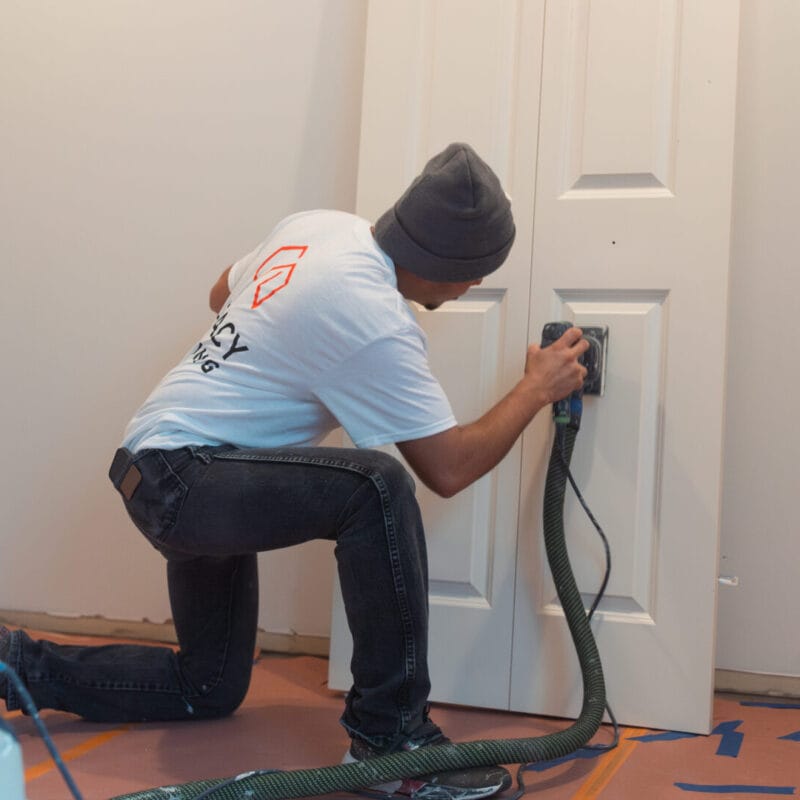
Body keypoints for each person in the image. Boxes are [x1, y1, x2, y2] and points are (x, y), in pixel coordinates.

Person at [0, 143, 588, 800]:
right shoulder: (373, 317)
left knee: (207, 689)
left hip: (161, 463)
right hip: (188, 476)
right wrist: (537, 389)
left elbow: (222, 290)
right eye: (478, 272)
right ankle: (390, 737)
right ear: (451, 268)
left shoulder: (322, 227)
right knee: (377, 486)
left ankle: (12, 664)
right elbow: (448, 468)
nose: (477, 286)